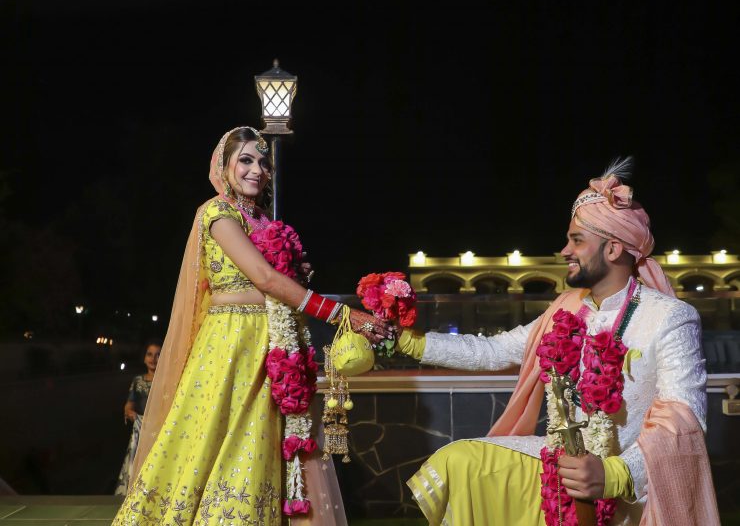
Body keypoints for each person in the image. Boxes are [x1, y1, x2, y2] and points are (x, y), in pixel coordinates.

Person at [398, 159, 720, 525]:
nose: (565, 250)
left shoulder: (668, 316)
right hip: (562, 469)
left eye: (577, 240)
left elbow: (683, 417)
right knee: (460, 460)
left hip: (629, 490)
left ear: (613, 249)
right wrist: (408, 342)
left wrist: (615, 473)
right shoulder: (566, 309)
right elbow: (493, 350)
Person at [112, 126, 393, 525]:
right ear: (223, 167)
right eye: (245, 160)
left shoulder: (260, 219)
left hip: (273, 341)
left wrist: (297, 272)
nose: (257, 169)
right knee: (217, 440)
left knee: (261, 444)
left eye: (263, 162)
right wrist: (343, 314)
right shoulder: (216, 213)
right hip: (230, 345)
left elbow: (277, 282)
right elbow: (264, 278)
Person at [114, 341, 162, 496]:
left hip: (160, 432)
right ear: (144, 358)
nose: (153, 359)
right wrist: (129, 412)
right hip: (141, 433)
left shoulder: (167, 381)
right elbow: (129, 405)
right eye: (149, 354)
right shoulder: (138, 381)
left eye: (158, 355)